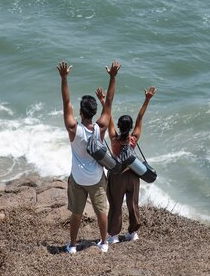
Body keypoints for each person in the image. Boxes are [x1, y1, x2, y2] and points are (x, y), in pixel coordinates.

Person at [57, 59, 121, 254]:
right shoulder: (100, 128)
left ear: (80, 112)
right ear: (94, 113)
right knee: (101, 210)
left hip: (77, 178)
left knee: (76, 213)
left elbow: (65, 102)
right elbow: (109, 102)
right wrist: (112, 77)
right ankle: (103, 242)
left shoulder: (73, 130)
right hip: (96, 178)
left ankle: (73, 245)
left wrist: (64, 78)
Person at [96, 86, 156, 244]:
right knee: (133, 203)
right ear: (129, 128)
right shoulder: (133, 139)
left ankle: (114, 236)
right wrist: (147, 99)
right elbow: (139, 119)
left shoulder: (114, 138)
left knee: (116, 204)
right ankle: (133, 232)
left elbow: (108, 117)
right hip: (134, 174)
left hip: (117, 176)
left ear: (118, 126)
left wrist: (103, 101)